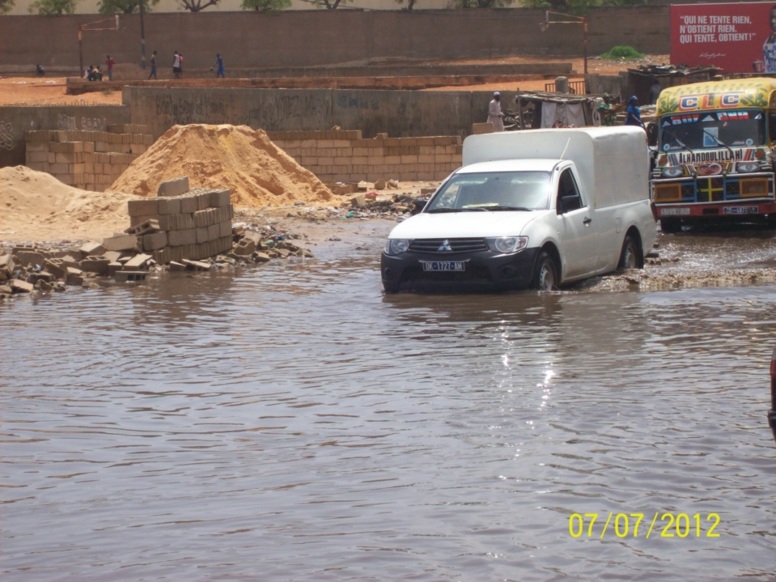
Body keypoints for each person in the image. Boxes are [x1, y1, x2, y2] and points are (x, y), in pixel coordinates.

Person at [764, 5, 776, 73]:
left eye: (775, 18)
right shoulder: (769, 38)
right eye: (771, 18)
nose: (773, 21)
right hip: (768, 79)